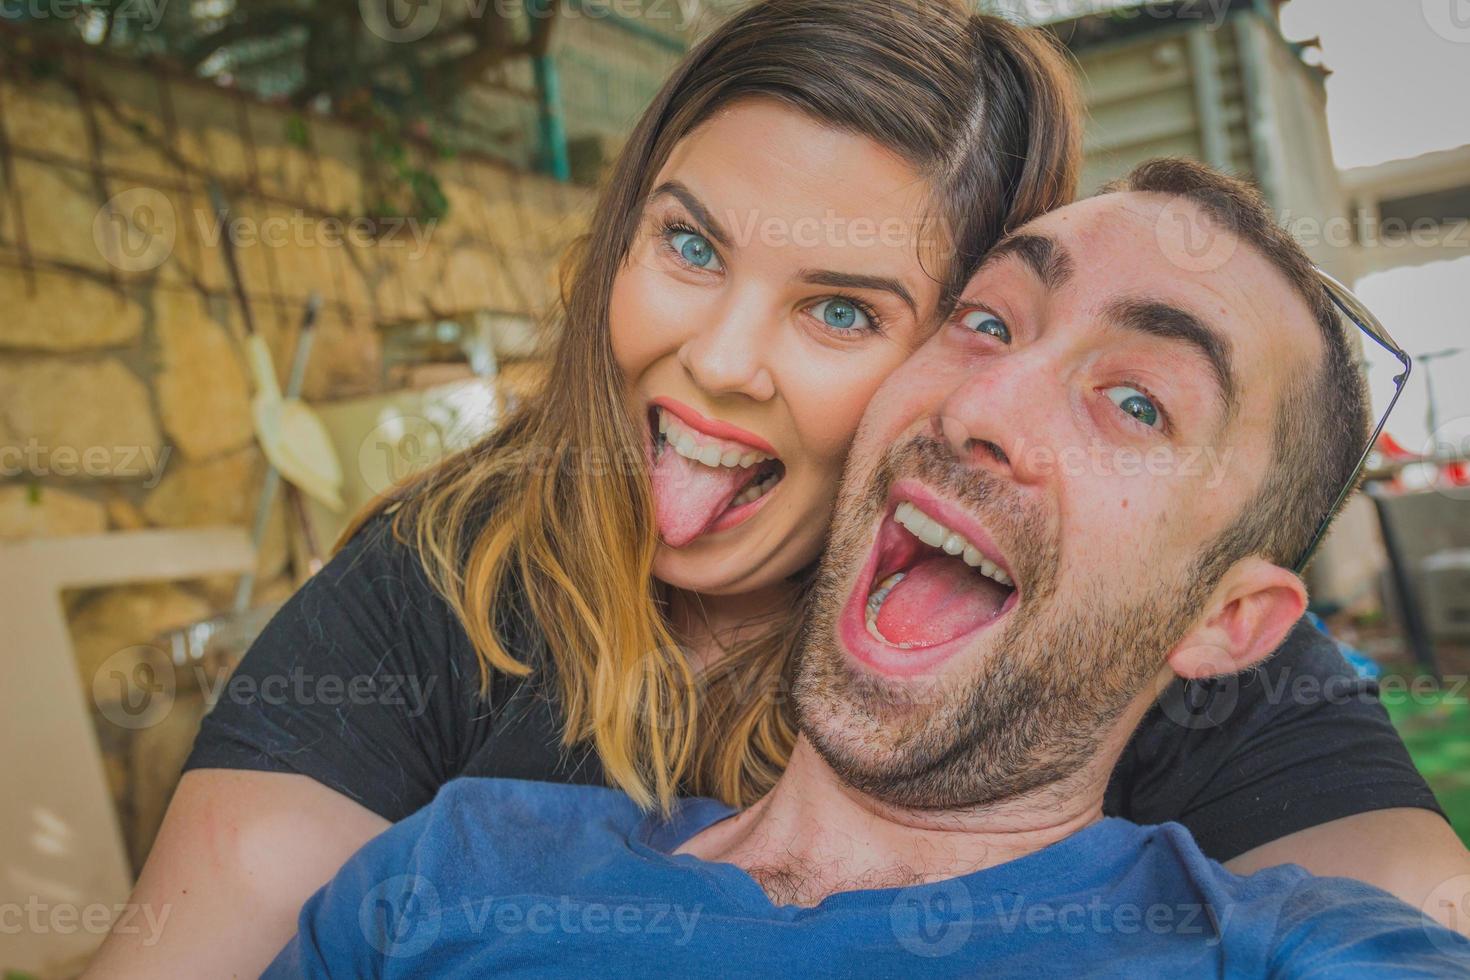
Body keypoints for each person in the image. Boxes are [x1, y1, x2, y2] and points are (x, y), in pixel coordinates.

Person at [89, 2, 1466, 976]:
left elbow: (1402, 908)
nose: (716, 360)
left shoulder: (1127, 639)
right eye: (687, 244)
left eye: (842, 313)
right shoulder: (446, 613)